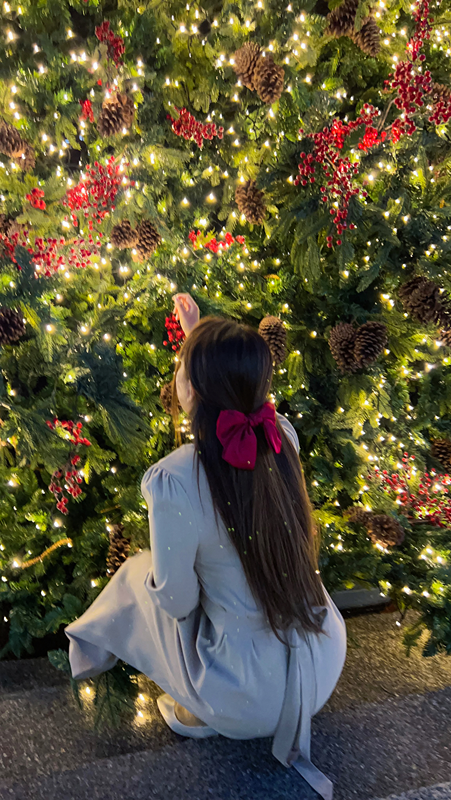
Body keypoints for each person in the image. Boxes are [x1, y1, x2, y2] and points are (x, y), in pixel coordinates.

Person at [66, 293, 347, 800]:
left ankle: (193, 703)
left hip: (245, 697)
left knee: (139, 574)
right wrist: (197, 336)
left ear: (189, 387)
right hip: (320, 663)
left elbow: (177, 602)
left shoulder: (172, 480)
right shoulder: (281, 436)